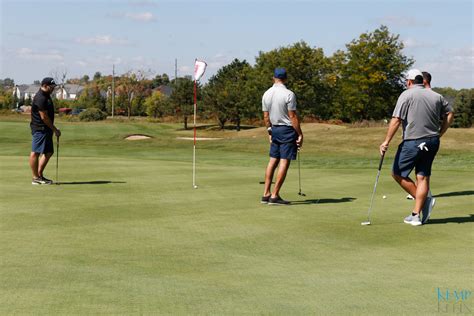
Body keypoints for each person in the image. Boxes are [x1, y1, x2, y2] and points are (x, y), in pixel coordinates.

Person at [380, 69, 454, 226]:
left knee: (397, 173)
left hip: (413, 141)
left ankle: (425, 201)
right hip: (433, 141)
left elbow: (396, 120)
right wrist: (440, 132)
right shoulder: (436, 95)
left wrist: (386, 141)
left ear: (409, 81)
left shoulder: (406, 95)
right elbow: (450, 114)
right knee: (423, 176)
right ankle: (415, 215)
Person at [261, 68, 303, 205]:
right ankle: (274, 195)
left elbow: (266, 116)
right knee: (284, 161)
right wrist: (300, 134)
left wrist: (269, 131)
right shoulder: (289, 94)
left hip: (274, 129)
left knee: (273, 161)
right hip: (287, 130)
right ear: (285, 79)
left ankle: (266, 193)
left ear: (273, 78)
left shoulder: (266, 94)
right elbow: (292, 116)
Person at [29, 77, 61, 185]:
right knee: (35, 152)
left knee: (48, 152)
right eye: (51, 87)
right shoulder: (40, 98)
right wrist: (55, 129)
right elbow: (44, 117)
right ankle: (35, 178)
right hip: (40, 128)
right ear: (45, 86)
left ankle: (39, 175)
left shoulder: (46, 96)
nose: (53, 89)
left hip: (46, 129)